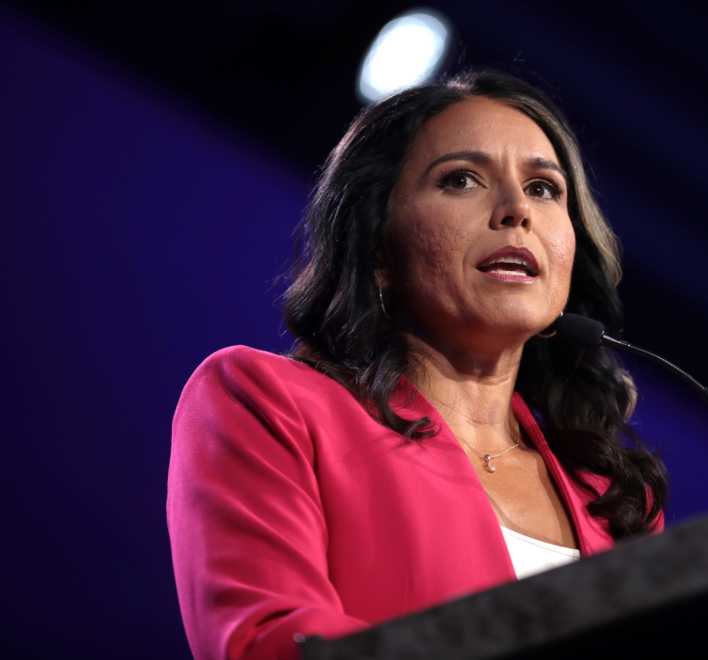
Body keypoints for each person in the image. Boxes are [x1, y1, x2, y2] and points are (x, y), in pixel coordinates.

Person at [167, 69, 668, 660]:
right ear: (379, 248)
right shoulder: (266, 402)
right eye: (462, 180)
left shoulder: (615, 497)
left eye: (543, 189)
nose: (516, 211)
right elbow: (269, 638)